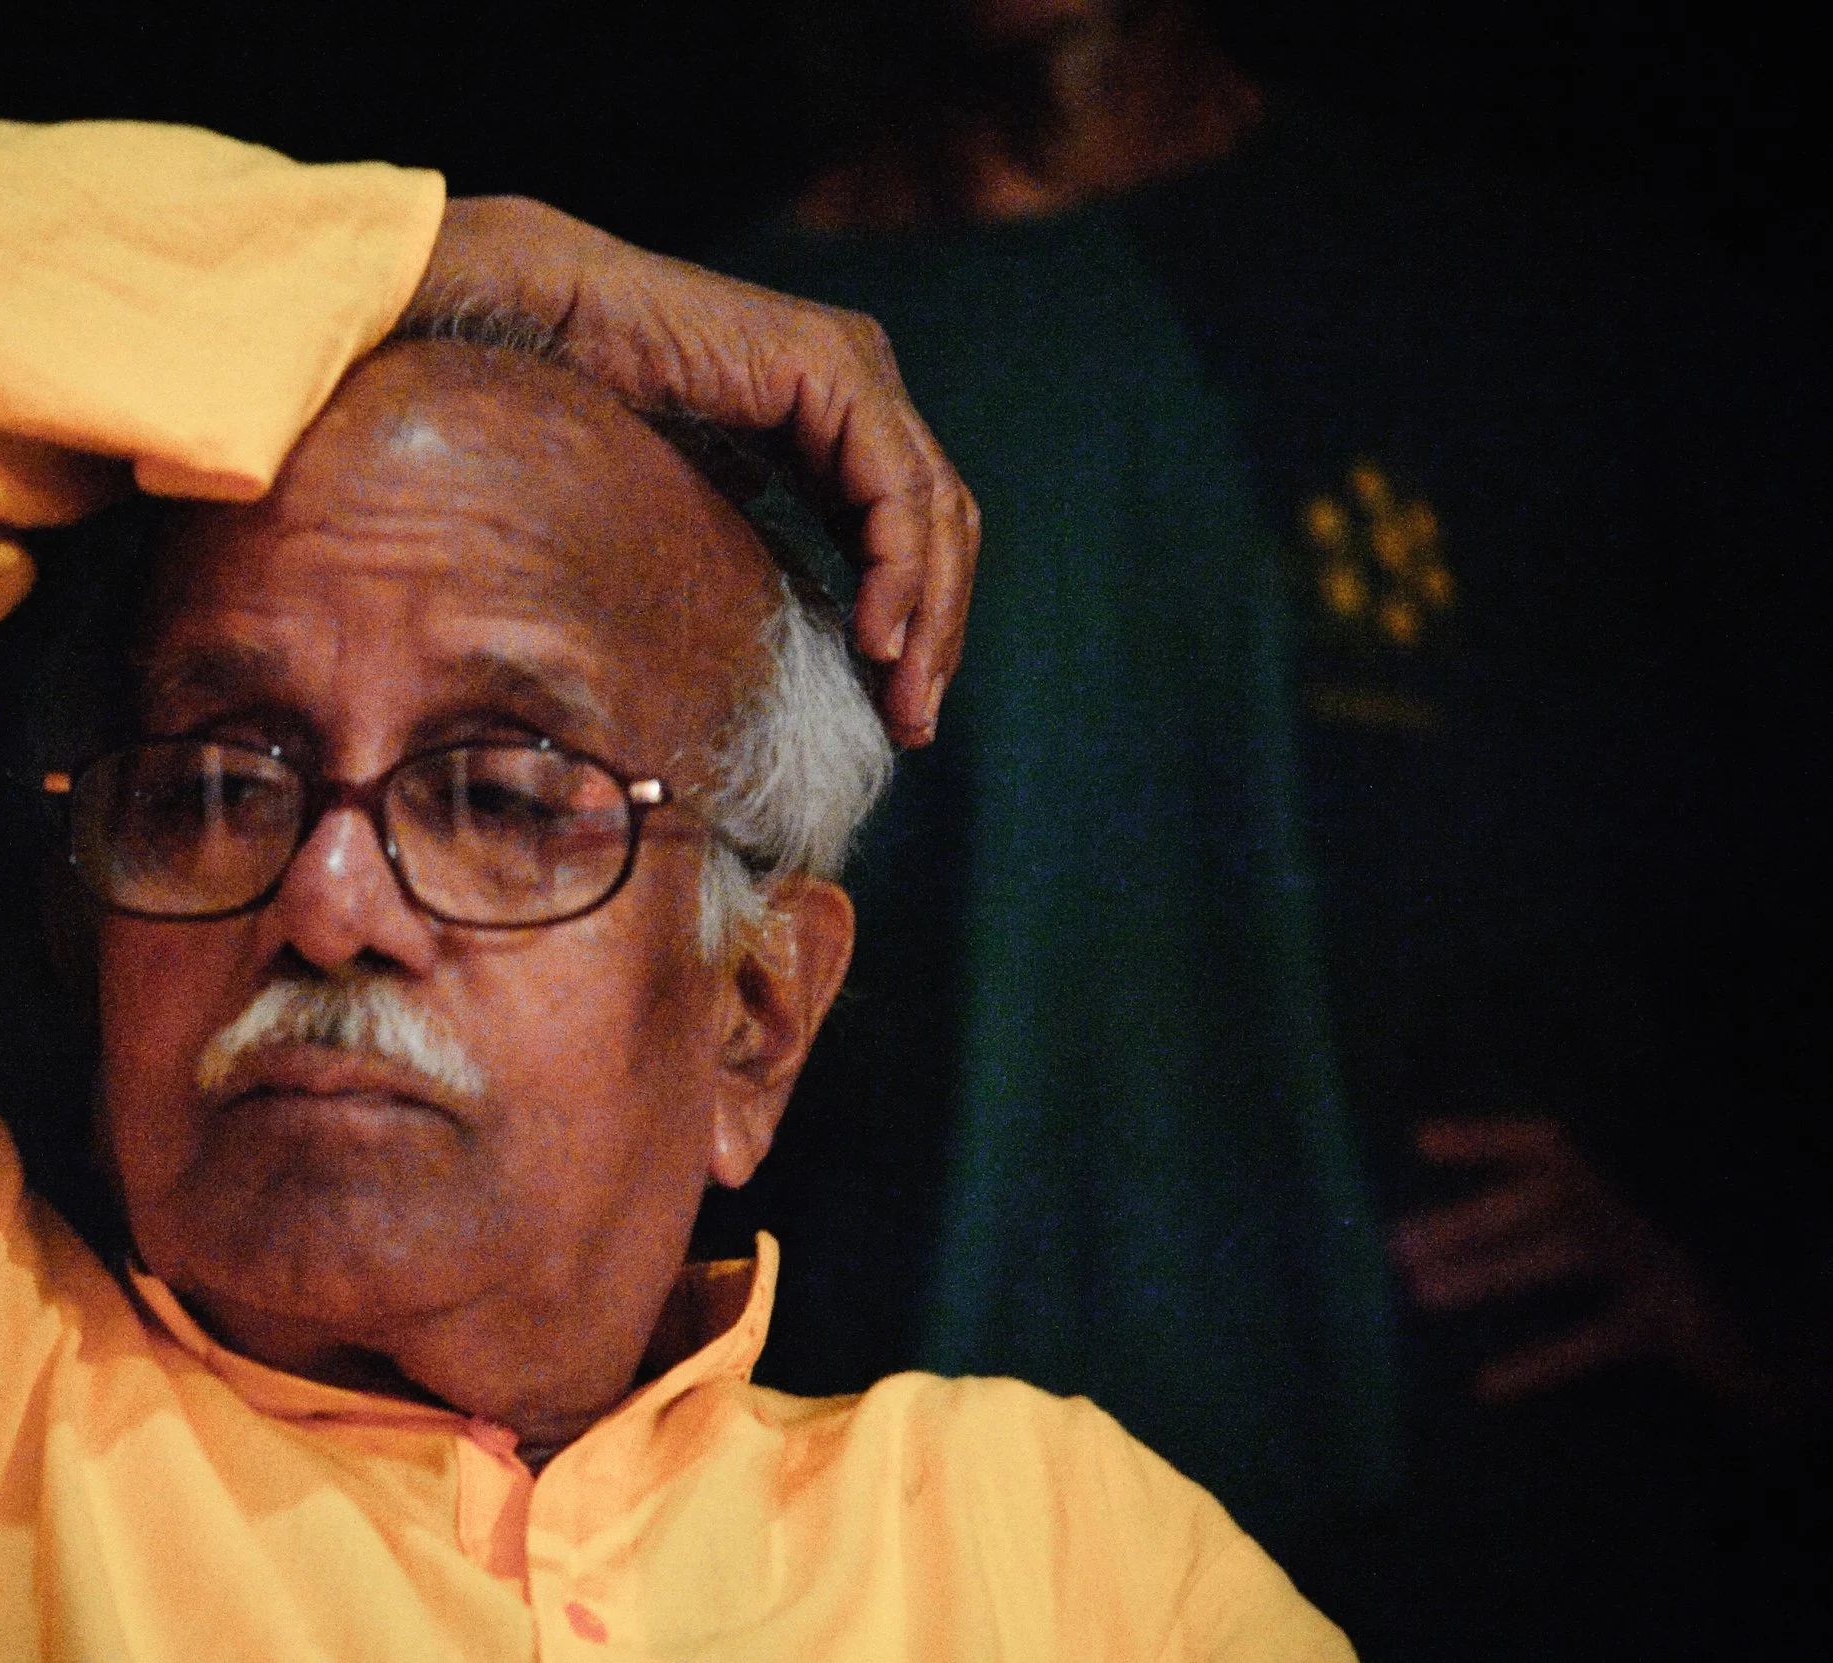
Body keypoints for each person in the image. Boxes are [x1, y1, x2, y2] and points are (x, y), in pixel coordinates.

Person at [0, 121, 1348, 1661]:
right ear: (82, 930)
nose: (331, 896)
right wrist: (489, 259)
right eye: (214, 783)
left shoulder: (1049, 1564)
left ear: (754, 1020)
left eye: (503, 795)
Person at [706, 2, 1832, 1656]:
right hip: (885, 1555)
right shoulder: (708, 361)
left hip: (1484, 1529)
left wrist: (1775, 1317)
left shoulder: (1524, 306)